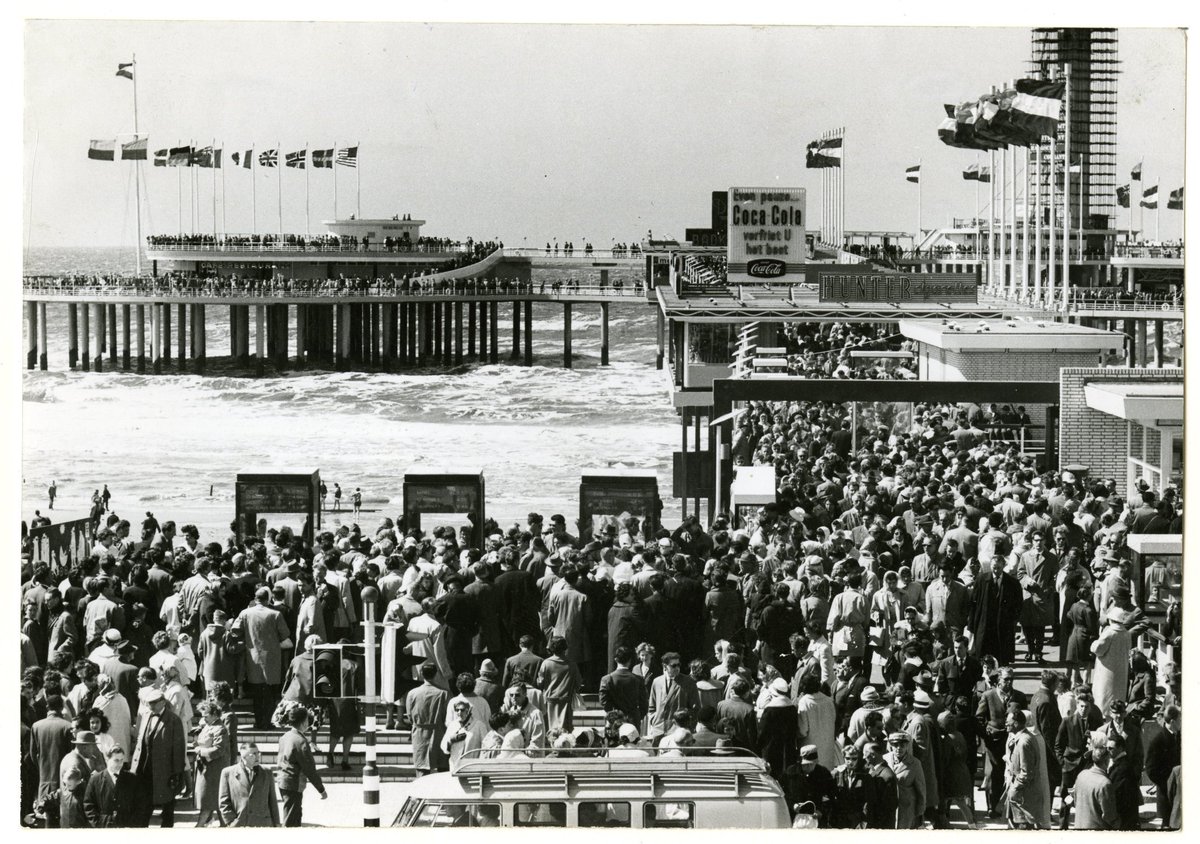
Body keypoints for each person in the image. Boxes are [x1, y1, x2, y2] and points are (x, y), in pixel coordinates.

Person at [233, 587, 292, 728]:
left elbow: (235, 631)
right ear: (268, 599)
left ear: (255, 598)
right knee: (270, 693)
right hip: (272, 659)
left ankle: (259, 722)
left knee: (257, 693)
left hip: (253, 658)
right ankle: (268, 722)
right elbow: (285, 634)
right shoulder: (275, 614)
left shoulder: (245, 613)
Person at [129, 686, 186, 827]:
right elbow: (140, 741)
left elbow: (179, 749)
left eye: (154, 703)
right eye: (149, 703)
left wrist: (177, 772)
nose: (151, 706)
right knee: (144, 805)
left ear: (162, 702)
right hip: (144, 768)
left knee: (167, 806)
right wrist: (134, 766)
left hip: (165, 770)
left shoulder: (173, 720)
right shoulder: (146, 715)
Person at [273, 703, 327, 827]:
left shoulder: (285, 736)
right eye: (307, 720)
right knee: (292, 819)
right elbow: (309, 769)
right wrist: (321, 789)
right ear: (303, 723)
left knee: (293, 814)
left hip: (282, 779)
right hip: (293, 782)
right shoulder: (301, 741)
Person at [1003, 708, 1051, 830]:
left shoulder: (1024, 742)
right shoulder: (1023, 737)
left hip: (1024, 797)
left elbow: (1026, 772)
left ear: (1016, 723)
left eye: (1008, 721)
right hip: (1023, 795)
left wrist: (1014, 788)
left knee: (1024, 828)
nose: (1005, 723)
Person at [218, 743, 280, 827]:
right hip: (240, 825)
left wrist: (276, 823)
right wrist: (231, 822)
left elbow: (272, 800)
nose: (258, 756)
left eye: (258, 753)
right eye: (253, 754)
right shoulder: (228, 773)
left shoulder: (267, 772)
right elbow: (223, 801)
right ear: (243, 757)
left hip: (263, 824)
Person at [405, 662, 449, 777]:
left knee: (421, 769)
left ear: (421, 674)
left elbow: (409, 716)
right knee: (442, 770)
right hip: (439, 733)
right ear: (436, 674)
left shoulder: (412, 694)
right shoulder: (444, 693)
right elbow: (447, 717)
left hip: (419, 734)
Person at [192, 700, 230, 826]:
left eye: (206, 716)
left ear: (215, 714)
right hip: (206, 769)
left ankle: (201, 824)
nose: (204, 719)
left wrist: (199, 750)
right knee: (211, 800)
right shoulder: (208, 726)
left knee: (210, 800)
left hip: (214, 770)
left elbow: (218, 750)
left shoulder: (220, 729)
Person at [83, 745, 138, 828]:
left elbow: (139, 804)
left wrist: (133, 824)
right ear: (107, 759)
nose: (119, 764)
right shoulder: (95, 780)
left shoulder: (132, 779)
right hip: (104, 826)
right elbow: (88, 804)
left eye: (121, 760)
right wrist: (97, 823)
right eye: (116, 760)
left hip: (126, 826)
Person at [1071, 746, 1118, 830]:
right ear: (1107, 761)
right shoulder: (1105, 784)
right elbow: (1109, 816)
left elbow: (1075, 802)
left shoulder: (1081, 775)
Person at [886, 731, 925, 829]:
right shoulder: (884, 760)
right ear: (891, 745)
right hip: (888, 807)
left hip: (907, 808)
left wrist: (919, 811)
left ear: (907, 746)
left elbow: (921, 789)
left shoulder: (915, 763)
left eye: (902, 745)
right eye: (895, 745)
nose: (899, 748)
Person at [440, 700, 489, 772]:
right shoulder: (452, 725)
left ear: (468, 711)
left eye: (462, 710)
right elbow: (443, 747)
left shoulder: (479, 725)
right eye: (457, 710)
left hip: (472, 766)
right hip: (455, 766)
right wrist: (450, 740)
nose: (459, 713)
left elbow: (486, 747)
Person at [862, 741, 899, 829]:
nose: (863, 757)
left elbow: (888, 807)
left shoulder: (887, 776)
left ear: (873, 755)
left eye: (865, 754)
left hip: (880, 826)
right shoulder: (871, 769)